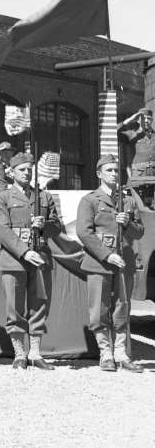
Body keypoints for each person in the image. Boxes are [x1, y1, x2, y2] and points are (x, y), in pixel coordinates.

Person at [76, 154, 145, 372]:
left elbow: (140, 232)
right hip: (100, 263)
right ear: (99, 174)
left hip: (123, 261)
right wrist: (106, 255)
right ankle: (105, 354)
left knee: (122, 308)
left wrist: (128, 224)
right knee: (99, 309)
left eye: (116, 170)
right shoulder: (90, 200)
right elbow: (84, 233)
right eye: (109, 170)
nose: (114, 174)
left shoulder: (129, 201)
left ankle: (121, 354)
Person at [0, 152, 62, 369]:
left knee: (39, 304)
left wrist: (44, 225)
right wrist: (24, 251)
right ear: (12, 172)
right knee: (15, 307)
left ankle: (35, 353)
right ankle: (19, 353)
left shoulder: (44, 197)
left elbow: (57, 226)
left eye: (29, 169)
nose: (26, 173)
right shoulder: (3, 197)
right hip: (14, 259)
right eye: (22, 169)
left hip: (40, 255)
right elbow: (2, 230)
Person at [118, 107, 155, 208]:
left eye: (149, 118)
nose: (146, 121)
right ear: (138, 119)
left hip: (153, 177)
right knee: (135, 206)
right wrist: (129, 120)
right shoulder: (132, 134)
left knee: (151, 207)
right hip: (137, 176)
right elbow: (116, 131)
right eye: (144, 118)